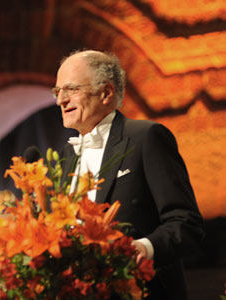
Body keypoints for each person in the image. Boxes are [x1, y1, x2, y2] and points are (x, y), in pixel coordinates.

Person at [54, 50, 205, 299]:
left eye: (71, 89)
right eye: (57, 91)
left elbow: (186, 224)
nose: (61, 100)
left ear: (106, 93)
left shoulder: (146, 138)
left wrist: (145, 248)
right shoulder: (66, 157)